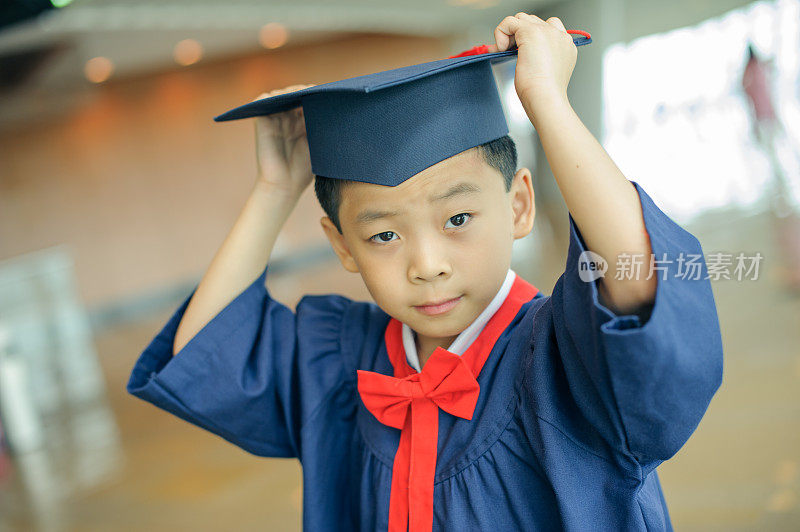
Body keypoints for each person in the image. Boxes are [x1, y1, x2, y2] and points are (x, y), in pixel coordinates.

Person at [127, 13, 723, 531]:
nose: (427, 266)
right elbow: (205, 351)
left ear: (518, 205)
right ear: (342, 247)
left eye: (458, 217)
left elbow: (639, 280)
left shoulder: (563, 359)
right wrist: (275, 187)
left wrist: (548, 103)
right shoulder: (338, 364)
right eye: (383, 235)